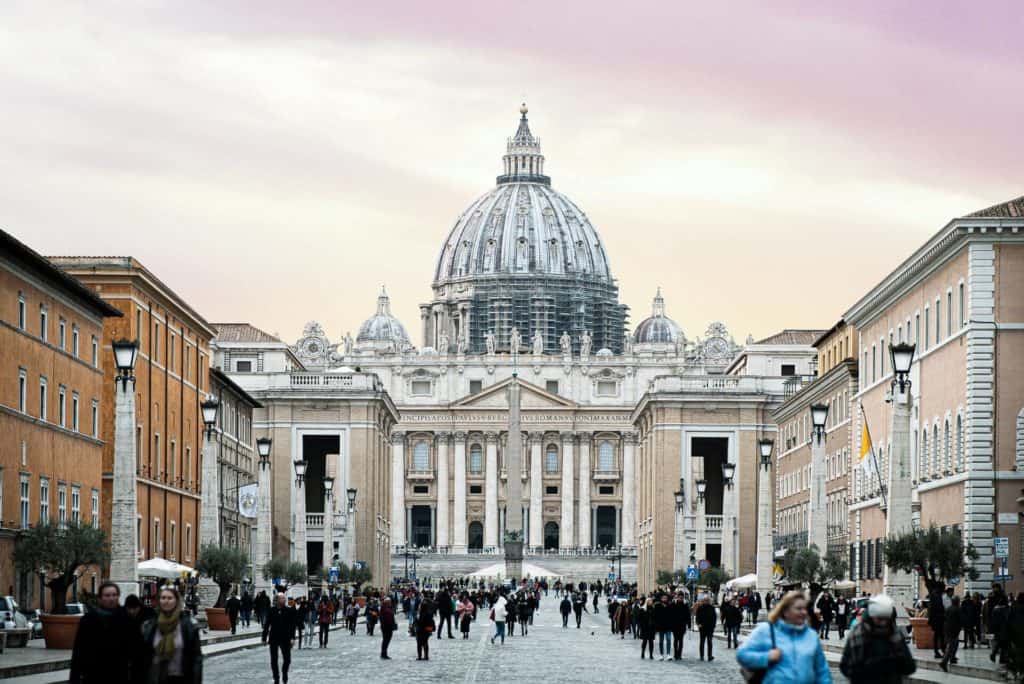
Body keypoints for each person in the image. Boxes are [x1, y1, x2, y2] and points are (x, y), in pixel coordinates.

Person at [737, 590, 831, 684]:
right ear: (785, 611)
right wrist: (766, 657)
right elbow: (742, 654)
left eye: (805, 608)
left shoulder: (811, 635)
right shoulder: (766, 630)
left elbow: (822, 670)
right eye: (799, 608)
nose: (804, 612)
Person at [69, 582, 141, 683]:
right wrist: (75, 677)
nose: (111, 598)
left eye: (114, 595)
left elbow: (136, 649)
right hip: (94, 674)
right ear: (100, 598)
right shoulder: (89, 619)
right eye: (107, 595)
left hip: (119, 674)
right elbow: (79, 649)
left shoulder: (127, 618)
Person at [839, 594, 915, 684]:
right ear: (872, 616)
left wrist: (893, 665)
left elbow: (909, 666)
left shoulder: (895, 634)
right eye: (879, 619)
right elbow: (845, 665)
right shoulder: (857, 635)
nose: (882, 623)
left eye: (885, 619)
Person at [138, 587, 203, 684]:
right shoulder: (150, 625)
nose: (166, 601)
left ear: (176, 601)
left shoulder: (188, 625)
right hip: (155, 678)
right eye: (163, 598)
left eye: (169, 598)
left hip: (180, 679)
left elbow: (196, 658)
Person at [262, 593, 297, 684]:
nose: (284, 600)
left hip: (286, 638)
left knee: (287, 659)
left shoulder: (289, 611)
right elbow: (267, 625)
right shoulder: (271, 610)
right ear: (277, 600)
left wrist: (292, 637)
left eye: (284, 598)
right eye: (281, 598)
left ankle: (284, 673)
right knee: (274, 659)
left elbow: (292, 625)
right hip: (274, 637)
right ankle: (276, 678)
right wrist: (264, 637)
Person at [941, 595, 962, 672]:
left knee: (955, 644)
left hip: (947, 629)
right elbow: (960, 620)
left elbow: (945, 618)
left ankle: (952, 658)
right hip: (954, 631)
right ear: (957, 602)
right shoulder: (958, 610)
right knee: (951, 646)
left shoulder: (948, 609)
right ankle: (944, 662)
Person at [695, 596, 717, 662]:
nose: (706, 601)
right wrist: (698, 624)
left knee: (709, 642)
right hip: (702, 628)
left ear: (709, 601)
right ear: (703, 601)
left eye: (707, 600)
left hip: (710, 628)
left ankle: (709, 656)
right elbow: (697, 617)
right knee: (702, 642)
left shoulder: (712, 608)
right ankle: (701, 656)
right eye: (705, 600)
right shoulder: (700, 608)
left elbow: (714, 617)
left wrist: (713, 626)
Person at [670, 592, 691, 660]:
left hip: (682, 625)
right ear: (677, 597)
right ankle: (675, 653)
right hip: (675, 625)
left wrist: (689, 624)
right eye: (679, 597)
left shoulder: (685, 605)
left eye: (682, 597)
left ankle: (679, 654)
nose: (680, 598)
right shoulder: (673, 604)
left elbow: (688, 615)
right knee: (675, 640)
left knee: (681, 640)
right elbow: (670, 614)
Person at [927, 585, 946, 659]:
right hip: (938, 619)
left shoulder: (935, 595)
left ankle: (940, 650)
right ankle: (939, 650)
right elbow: (937, 608)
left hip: (936, 619)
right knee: (939, 635)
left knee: (939, 635)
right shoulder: (937, 596)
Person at [415, 592, 435, 660]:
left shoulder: (422, 614)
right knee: (425, 643)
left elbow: (420, 622)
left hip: (421, 630)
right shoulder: (428, 612)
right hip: (426, 630)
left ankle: (420, 656)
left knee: (419, 643)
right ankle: (426, 656)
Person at [653, 593, 672, 660]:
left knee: (669, 639)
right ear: (661, 599)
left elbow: (672, 616)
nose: (664, 599)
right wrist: (656, 626)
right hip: (660, 627)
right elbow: (655, 616)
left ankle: (668, 654)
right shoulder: (657, 606)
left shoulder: (670, 606)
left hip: (668, 626)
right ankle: (661, 654)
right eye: (663, 598)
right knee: (661, 641)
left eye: (665, 598)